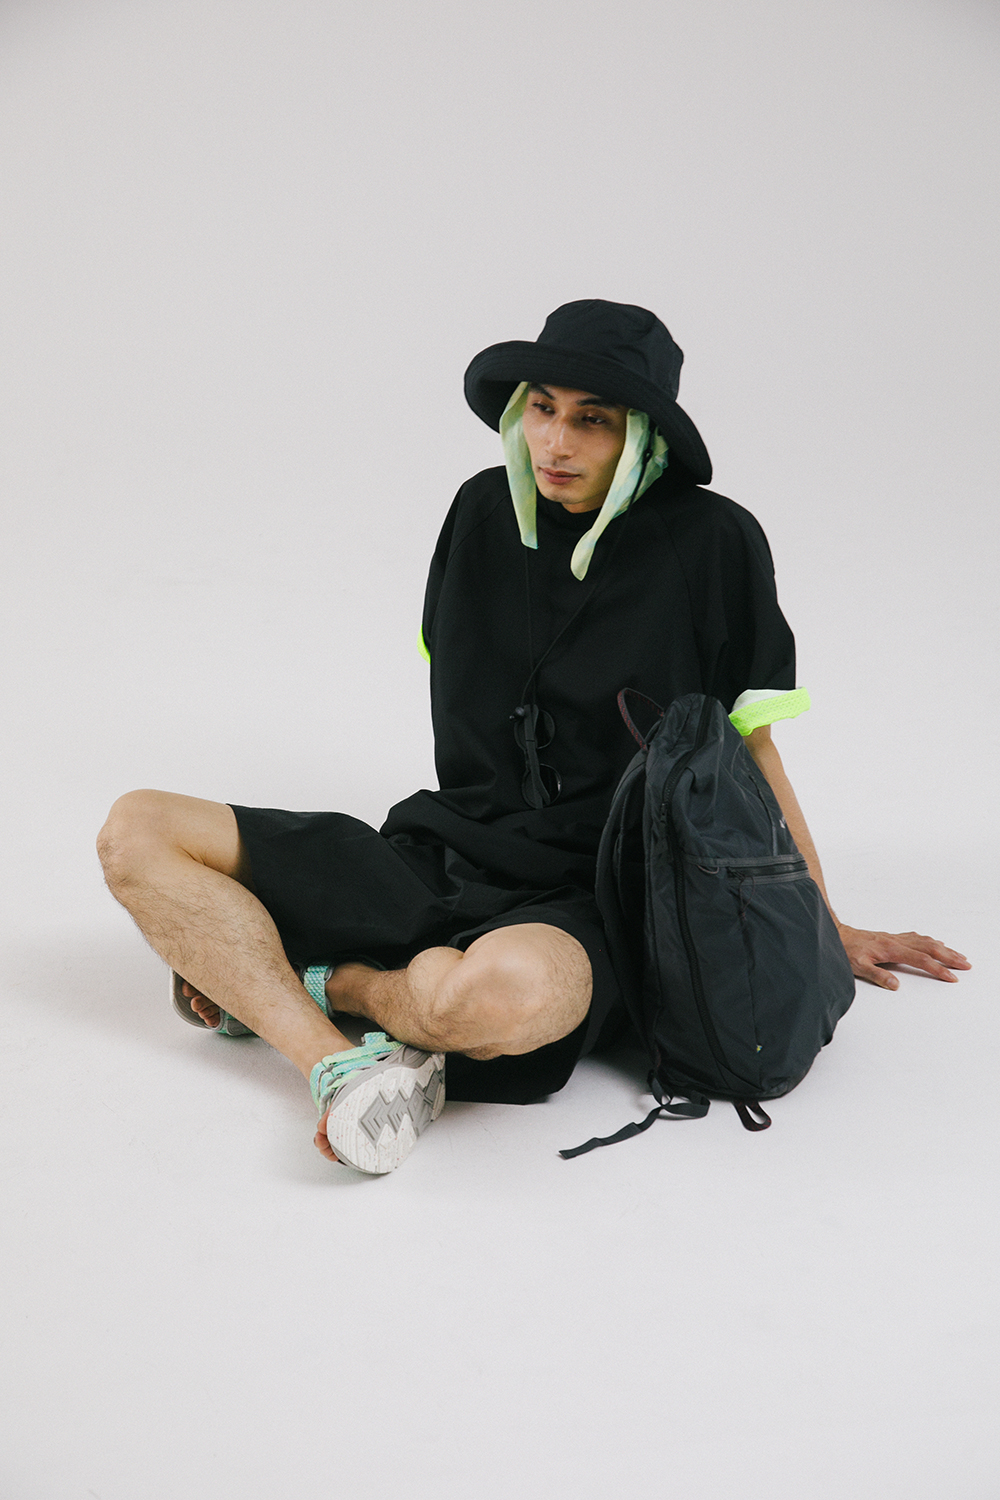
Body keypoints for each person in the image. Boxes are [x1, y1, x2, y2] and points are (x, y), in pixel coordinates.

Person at [97, 299, 969, 1174]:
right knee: (138, 829)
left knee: (493, 998)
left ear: (643, 436)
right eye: (543, 408)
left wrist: (820, 922)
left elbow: (752, 751)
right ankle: (330, 1060)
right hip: (438, 852)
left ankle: (325, 981)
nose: (555, 442)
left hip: (595, 894)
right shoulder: (480, 512)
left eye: (593, 420)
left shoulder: (714, 544)